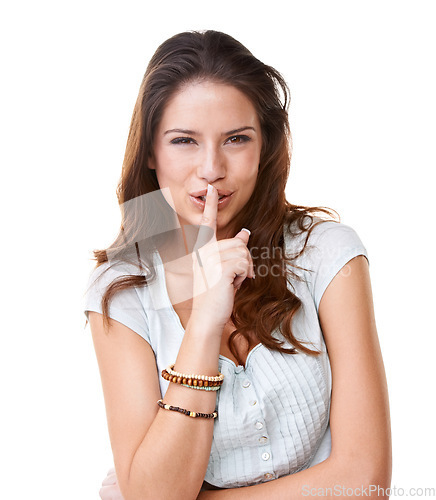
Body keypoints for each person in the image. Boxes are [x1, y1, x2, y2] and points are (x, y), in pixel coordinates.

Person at [83, 30, 392, 499]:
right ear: (150, 151)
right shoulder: (122, 289)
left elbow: (365, 482)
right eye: (184, 140)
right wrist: (204, 322)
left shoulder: (327, 253)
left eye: (236, 139)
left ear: (265, 144)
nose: (211, 168)